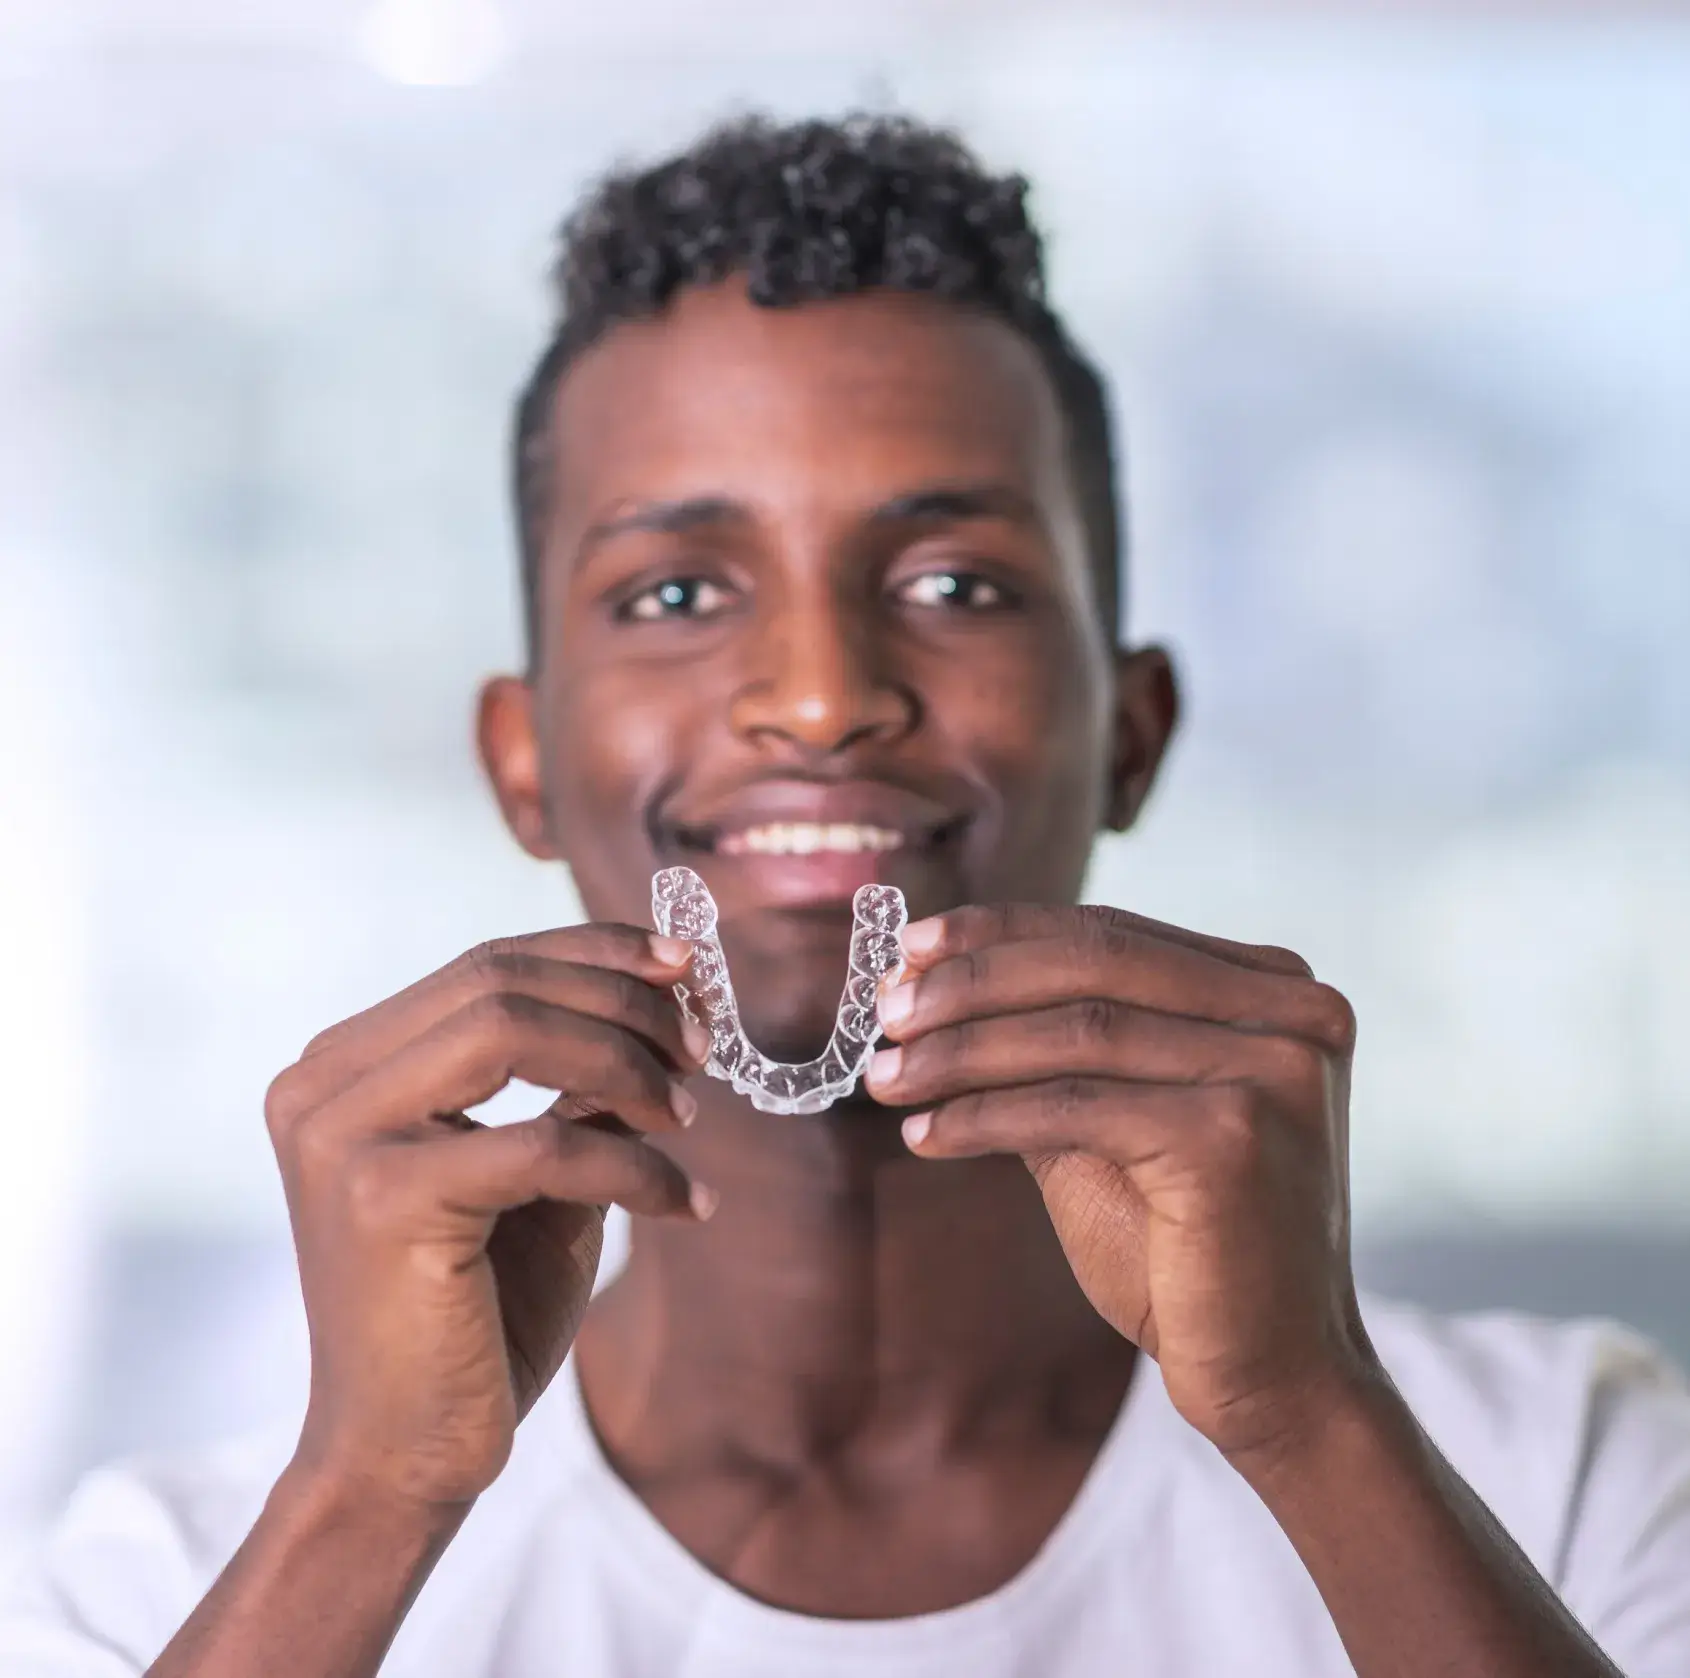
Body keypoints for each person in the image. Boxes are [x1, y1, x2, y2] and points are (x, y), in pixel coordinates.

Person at [5, 113, 1689, 1678]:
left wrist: (1308, 1420)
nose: (818, 698)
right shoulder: (179, 1579)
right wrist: (366, 1497)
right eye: (676, 593)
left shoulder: (1562, 1474)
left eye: (954, 583)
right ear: (523, 760)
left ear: (1131, 731)